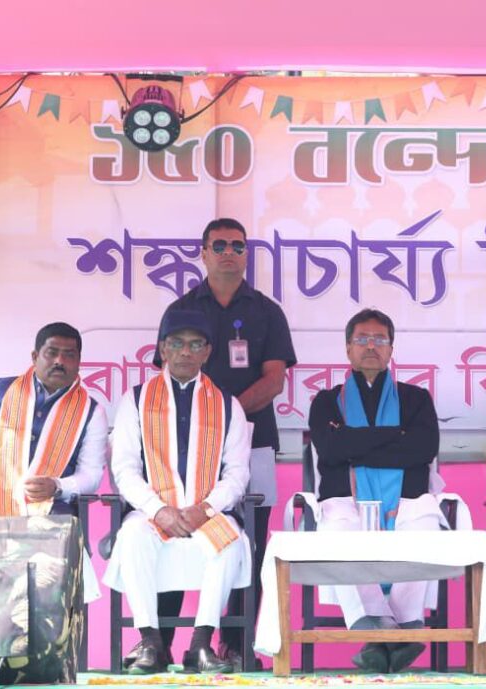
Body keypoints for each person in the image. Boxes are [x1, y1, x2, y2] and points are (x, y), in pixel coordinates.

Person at [156, 218, 296, 666]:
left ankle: (235, 645)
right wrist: (205, 423)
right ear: (203, 252)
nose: (229, 253)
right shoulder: (181, 309)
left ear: (246, 254)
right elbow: (167, 375)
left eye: (237, 245)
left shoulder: (267, 311)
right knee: (174, 531)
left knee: (249, 544)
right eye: (219, 246)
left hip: (254, 443)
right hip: (181, 448)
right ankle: (159, 642)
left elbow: (274, 381)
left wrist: (222, 419)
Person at [105, 310, 252, 674]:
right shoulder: (136, 400)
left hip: (207, 513)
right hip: (153, 513)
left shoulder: (227, 404)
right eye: (177, 343)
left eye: (195, 344)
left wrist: (205, 508)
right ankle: (151, 643)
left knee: (230, 541)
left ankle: (200, 645)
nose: (186, 352)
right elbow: (124, 468)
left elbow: (237, 474)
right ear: (162, 349)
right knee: (132, 536)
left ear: (207, 352)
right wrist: (158, 509)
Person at [308, 308, 441, 673]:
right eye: (362, 339)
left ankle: (384, 634)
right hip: (344, 501)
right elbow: (330, 449)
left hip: (407, 501)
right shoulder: (326, 401)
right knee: (338, 536)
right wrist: (395, 435)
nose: (371, 346)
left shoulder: (416, 399)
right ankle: (396, 631)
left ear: (391, 349)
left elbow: (422, 450)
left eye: (379, 339)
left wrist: (354, 443)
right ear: (348, 348)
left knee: (425, 529)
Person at [0, 321, 106, 515]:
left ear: (79, 361)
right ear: (35, 356)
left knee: (60, 532)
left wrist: (57, 486)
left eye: (69, 355)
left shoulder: (92, 412)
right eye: (52, 352)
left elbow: (91, 475)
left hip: (53, 509)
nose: (60, 361)